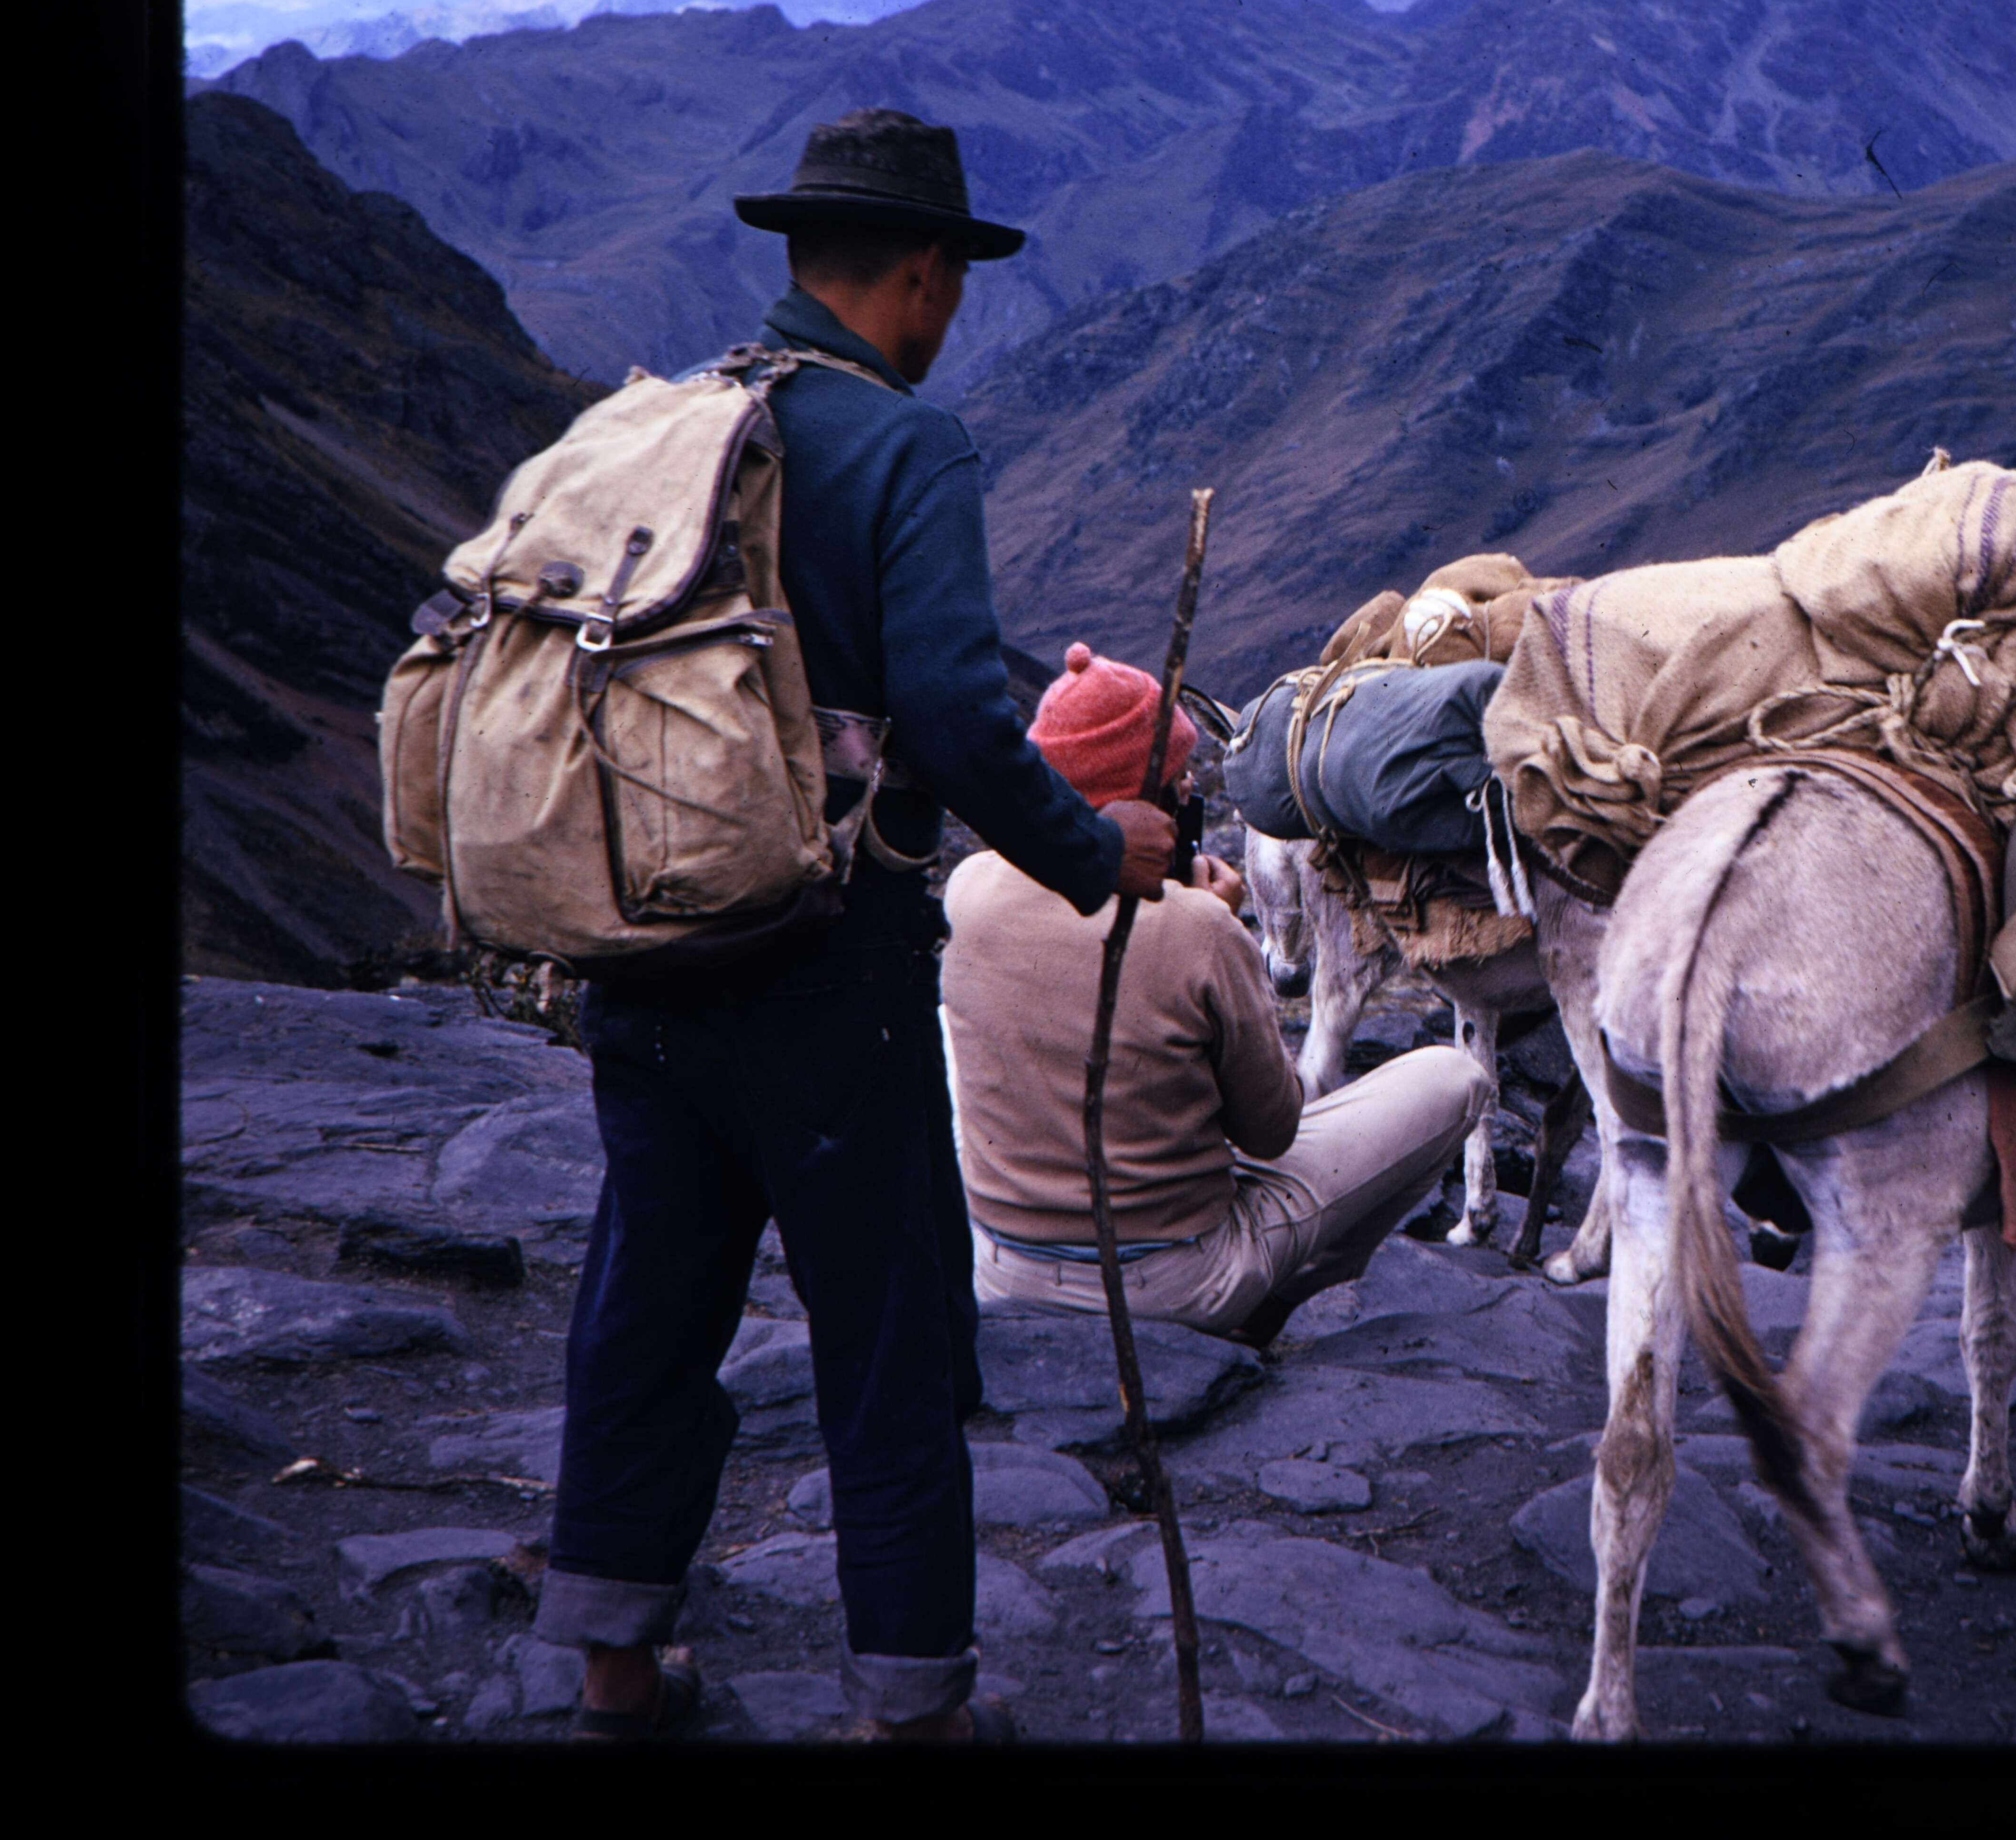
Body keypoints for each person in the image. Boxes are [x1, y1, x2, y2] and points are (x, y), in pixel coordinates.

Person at [535, 109, 1178, 1744]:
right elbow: (957, 714)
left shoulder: (678, 419)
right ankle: (911, 1705)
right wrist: (1092, 846)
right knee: (889, 1333)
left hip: (642, 939)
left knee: (650, 1299)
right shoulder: (907, 447)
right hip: (827, 968)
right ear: (925, 275)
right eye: (948, 283)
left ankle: (614, 1666)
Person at [941, 648, 1493, 1346]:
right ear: (1146, 804)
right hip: (1175, 1285)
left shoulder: (970, 885)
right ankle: (1275, 1304)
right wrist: (1220, 928)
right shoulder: (1198, 927)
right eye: (1177, 778)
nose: (1187, 790)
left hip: (1002, 1271)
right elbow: (1272, 1131)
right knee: (1456, 1078)